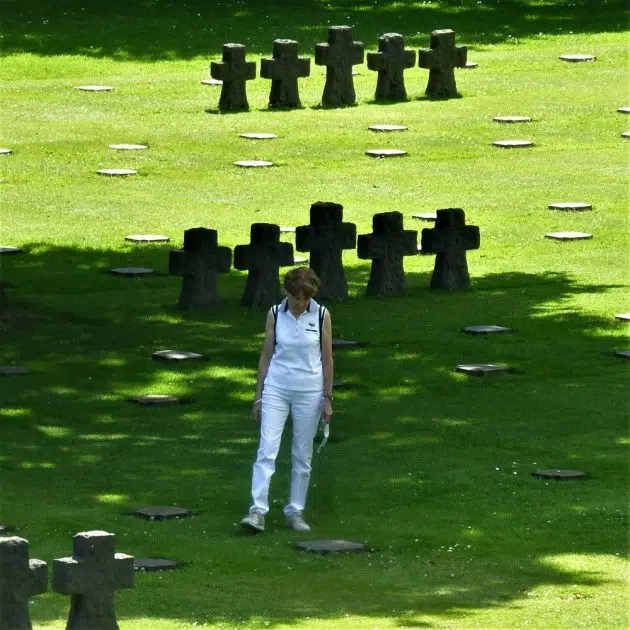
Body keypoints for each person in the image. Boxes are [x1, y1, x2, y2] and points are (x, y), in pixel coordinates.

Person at [240, 267, 334, 533]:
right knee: (267, 449)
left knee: (302, 454)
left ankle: (295, 511)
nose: (300, 304)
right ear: (287, 293)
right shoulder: (274, 314)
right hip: (277, 388)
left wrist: (327, 398)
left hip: (310, 391)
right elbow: (266, 356)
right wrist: (258, 397)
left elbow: (327, 359)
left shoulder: (322, 314)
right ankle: (257, 511)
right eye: (296, 299)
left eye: (305, 299)